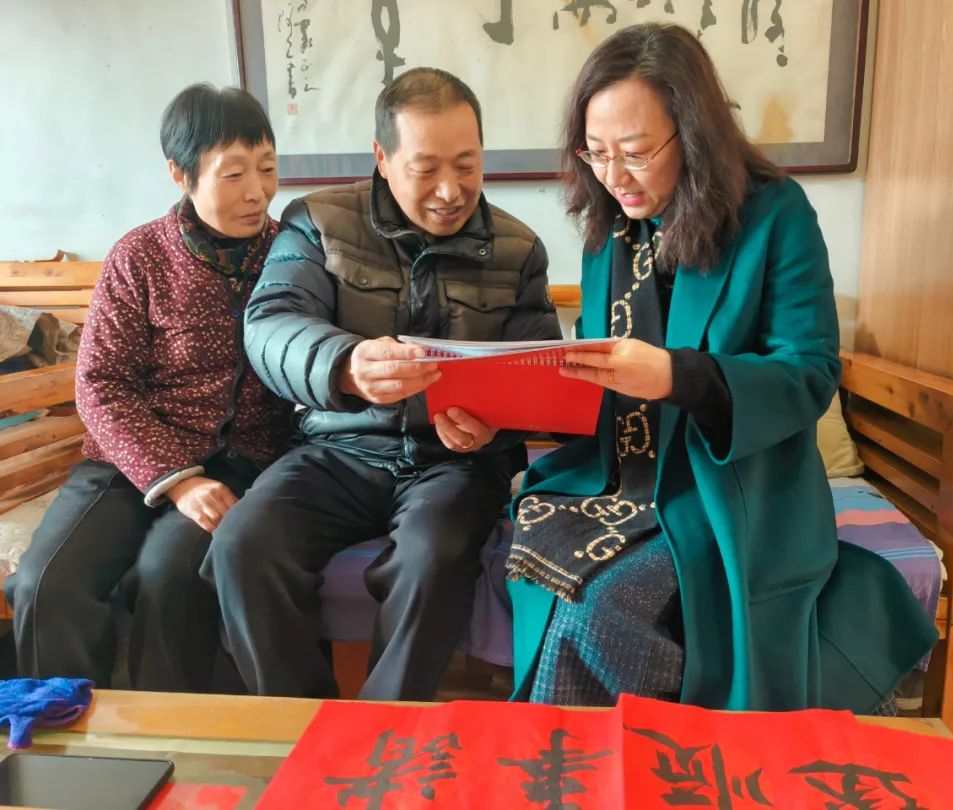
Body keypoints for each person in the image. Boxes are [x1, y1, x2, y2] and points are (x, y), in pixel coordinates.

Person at [506, 23, 937, 711]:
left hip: (734, 489)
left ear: (694, 134)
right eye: (596, 153)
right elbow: (597, 389)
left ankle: (634, 753)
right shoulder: (607, 230)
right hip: (623, 480)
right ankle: (619, 752)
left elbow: (809, 371)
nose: (614, 176)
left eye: (636, 152)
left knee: (596, 606)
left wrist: (679, 377)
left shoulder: (773, 215)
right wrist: (502, 410)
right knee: (544, 568)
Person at [202, 67, 561, 700]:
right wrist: (344, 365)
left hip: (454, 463)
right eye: (426, 168)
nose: (451, 190)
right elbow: (271, 322)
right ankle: (300, 725)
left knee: (432, 557)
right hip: (339, 448)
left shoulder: (518, 248)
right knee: (245, 545)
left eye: (467, 165)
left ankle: (381, 731)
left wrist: (496, 425)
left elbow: (536, 371)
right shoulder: (319, 220)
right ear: (383, 158)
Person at [4, 84, 290, 691]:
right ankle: (63, 729)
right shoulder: (139, 256)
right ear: (180, 174)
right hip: (126, 460)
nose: (257, 191)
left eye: (267, 168)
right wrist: (177, 479)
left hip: (243, 460)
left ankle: (168, 732)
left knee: (169, 577)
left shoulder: (291, 253)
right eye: (233, 173)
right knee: (46, 582)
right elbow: (100, 383)